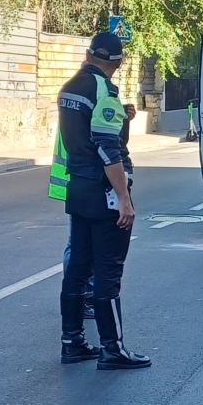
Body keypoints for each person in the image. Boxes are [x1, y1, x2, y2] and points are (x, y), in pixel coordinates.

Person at [57, 32, 150, 369]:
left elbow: (84, 132)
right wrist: (124, 200)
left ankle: (73, 342)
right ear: (118, 62)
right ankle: (113, 350)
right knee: (108, 274)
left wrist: (119, 117)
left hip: (78, 188)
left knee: (77, 270)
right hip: (103, 192)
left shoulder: (70, 87)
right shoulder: (104, 93)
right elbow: (107, 149)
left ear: (87, 55)